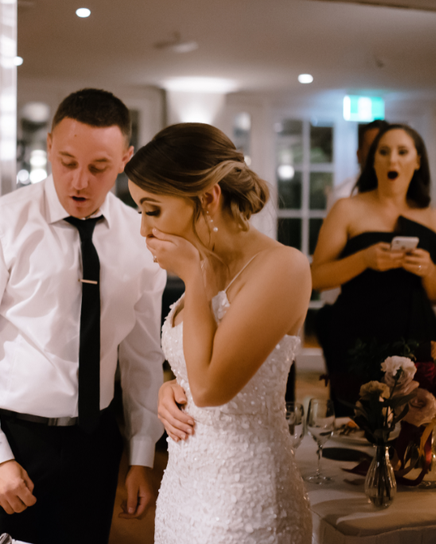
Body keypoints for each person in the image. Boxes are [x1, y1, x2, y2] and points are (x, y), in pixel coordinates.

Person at [0, 88, 166, 544]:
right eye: (66, 161)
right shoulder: (0, 224)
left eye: (99, 167)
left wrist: (140, 455)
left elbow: (142, 356)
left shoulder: (140, 242)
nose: (79, 181)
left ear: (125, 160)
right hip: (4, 434)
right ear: (49, 148)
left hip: (94, 448)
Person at [125, 123, 312, 544]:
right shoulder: (207, 263)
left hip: (245, 502)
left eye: (152, 209)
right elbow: (197, 372)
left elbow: (210, 388)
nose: (143, 228)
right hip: (183, 490)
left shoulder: (284, 268)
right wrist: (170, 387)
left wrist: (194, 274)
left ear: (207, 197)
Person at [312, 124, 436, 416]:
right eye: (383, 152)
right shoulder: (346, 209)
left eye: (402, 152)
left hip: (415, 335)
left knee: (413, 425)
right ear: (373, 161)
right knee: (354, 424)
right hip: (356, 336)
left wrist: (426, 269)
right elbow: (315, 277)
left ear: (418, 160)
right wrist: (363, 260)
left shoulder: (434, 217)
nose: (392, 160)